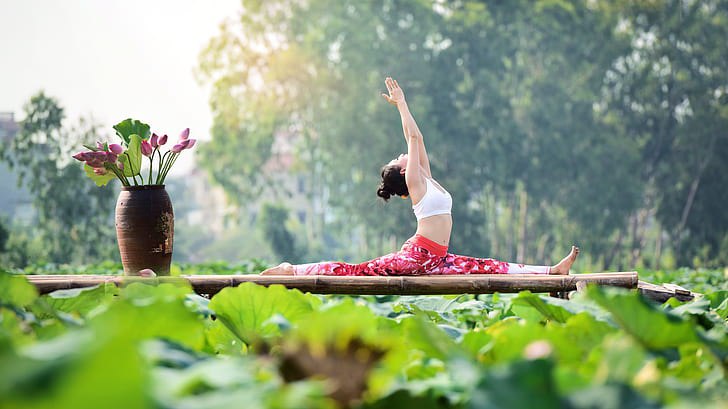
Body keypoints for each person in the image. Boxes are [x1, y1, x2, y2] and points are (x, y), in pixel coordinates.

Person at [261, 77, 579, 276]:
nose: (402, 154)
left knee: (490, 266)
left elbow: (419, 139)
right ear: (403, 170)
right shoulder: (414, 183)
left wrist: (405, 111)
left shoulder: (425, 178)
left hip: (437, 260)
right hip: (417, 258)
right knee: (356, 271)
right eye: (398, 158)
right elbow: (412, 141)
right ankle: (292, 270)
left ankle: (552, 270)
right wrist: (402, 105)